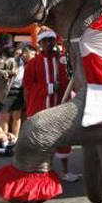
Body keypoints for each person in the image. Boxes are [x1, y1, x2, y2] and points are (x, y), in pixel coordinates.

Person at [23, 28, 77, 182]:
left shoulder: (63, 60)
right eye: (44, 41)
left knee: (63, 139)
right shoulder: (33, 64)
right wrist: (50, 88)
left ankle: (65, 172)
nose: (48, 43)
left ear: (55, 41)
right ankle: (42, 172)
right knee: (42, 141)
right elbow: (29, 85)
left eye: (50, 40)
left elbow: (71, 79)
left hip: (61, 106)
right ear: (39, 43)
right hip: (41, 107)